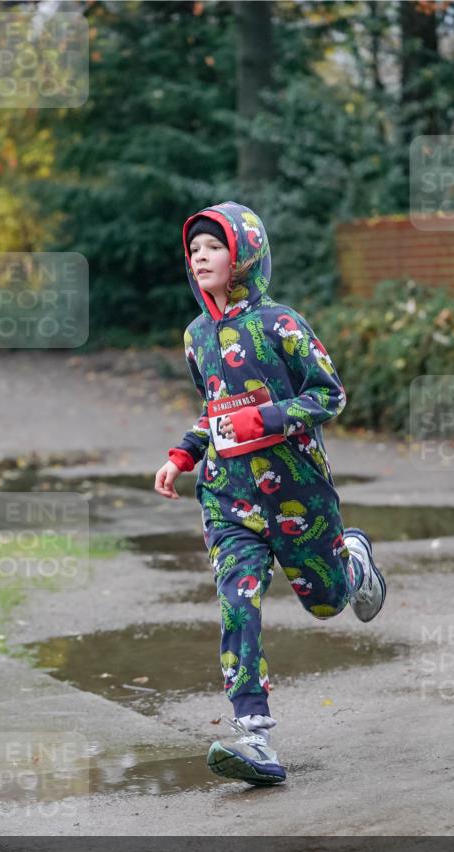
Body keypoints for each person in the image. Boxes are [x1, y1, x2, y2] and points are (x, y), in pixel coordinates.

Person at [154, 201, 387, 787]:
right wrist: (184, 454)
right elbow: (214, 407)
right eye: (194, 249)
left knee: (327, 603)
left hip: (297, 494)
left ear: (244, 254)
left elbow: (329, 395)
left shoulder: (280, 323)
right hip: (227, 498)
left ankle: (354, 564)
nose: (200, 256)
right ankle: (254, 736)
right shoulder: (196, 336)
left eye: (213, 246)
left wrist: (269, 418)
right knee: (238, 601)